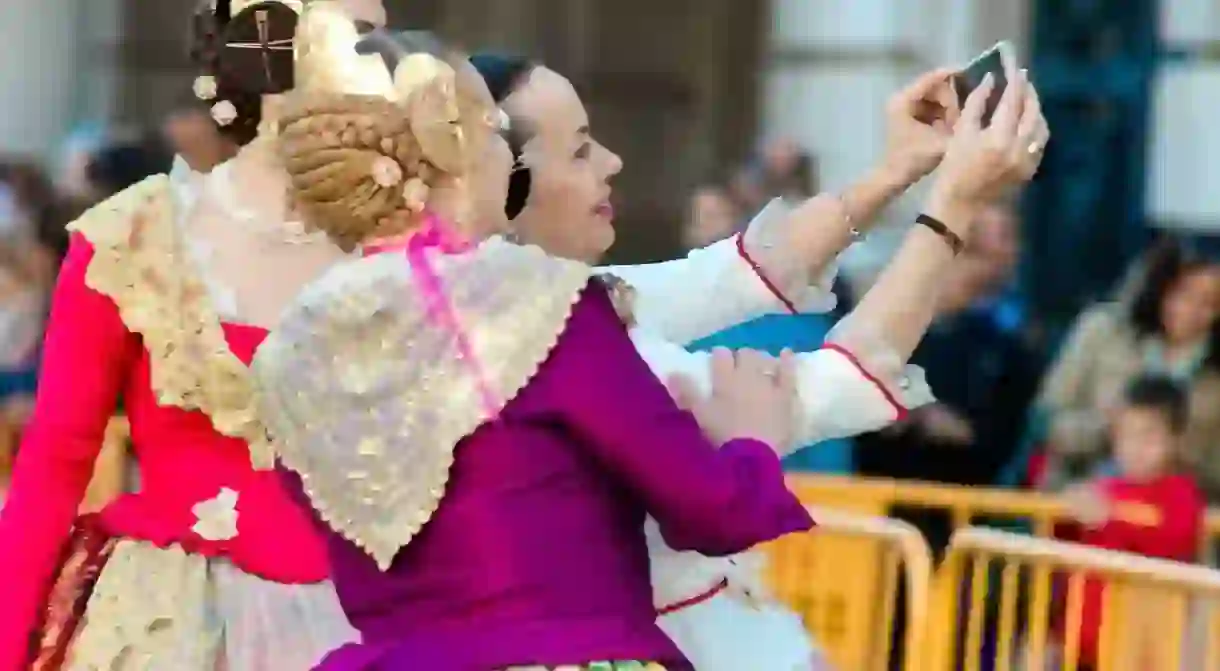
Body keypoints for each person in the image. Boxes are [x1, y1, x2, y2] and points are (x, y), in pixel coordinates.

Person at [252, 21, 811, 670]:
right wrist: (752, 438)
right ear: (456, 153)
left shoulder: (293, 346)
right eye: (496, 131)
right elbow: (712, 509)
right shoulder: (534, 298)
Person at [470, 53, 1048, 669]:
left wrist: (895, 170)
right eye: (581, 151)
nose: (612, 163)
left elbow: (736, 273)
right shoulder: (555, 342)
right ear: (500, 184)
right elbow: (840, 381)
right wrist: (954, 204)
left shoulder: (481, 309)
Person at [0, 0, 394, 667]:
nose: (386, 77)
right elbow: (53, 465)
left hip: (364, 622)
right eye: (357, 43)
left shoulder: (401, 247)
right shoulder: (139, 236)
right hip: (170, 626)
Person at [1032, 239, 1220, 498]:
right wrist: (1111, 428)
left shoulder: (1214, 373)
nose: (1192, 310)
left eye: (1210, 302)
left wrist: (1171, 452)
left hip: (1171, 516)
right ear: (1160, 288)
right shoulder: (1102, 331)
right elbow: (1045, 422)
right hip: (1075, 503)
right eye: (1182, 293)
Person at [1049, 375, 1205, 669]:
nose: (1135, 447)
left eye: (1149, 436)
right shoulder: (1104, 488)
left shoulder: (1181, 494)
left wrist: (1111, 519)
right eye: (1126, 435)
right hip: (1082, 647)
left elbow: (1174, 539)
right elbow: (1064, 548)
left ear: (1175, 440)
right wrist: (1065, 514)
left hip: (1141, 651)